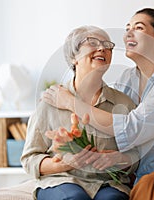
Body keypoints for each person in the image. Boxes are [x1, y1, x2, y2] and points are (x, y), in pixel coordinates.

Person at [43, 8, 154, 200]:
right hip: (141, 171)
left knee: (151, 185)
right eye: (127, 28)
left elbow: (131, 127)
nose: (128, 33)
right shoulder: (127, 78)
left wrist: (70, 102)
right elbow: (117, 130)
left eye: (138, 28)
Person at [21, 25, 139, 200]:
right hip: (61, 181)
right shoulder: (50, 102)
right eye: (92, 42)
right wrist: (64, 164)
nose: (102, 48)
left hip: (107, 183)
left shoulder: (124, 103)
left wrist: (118, 159)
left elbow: (137, 155)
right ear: (73, 57)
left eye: (107, 45)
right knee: (75, 198)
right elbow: (30, 159)